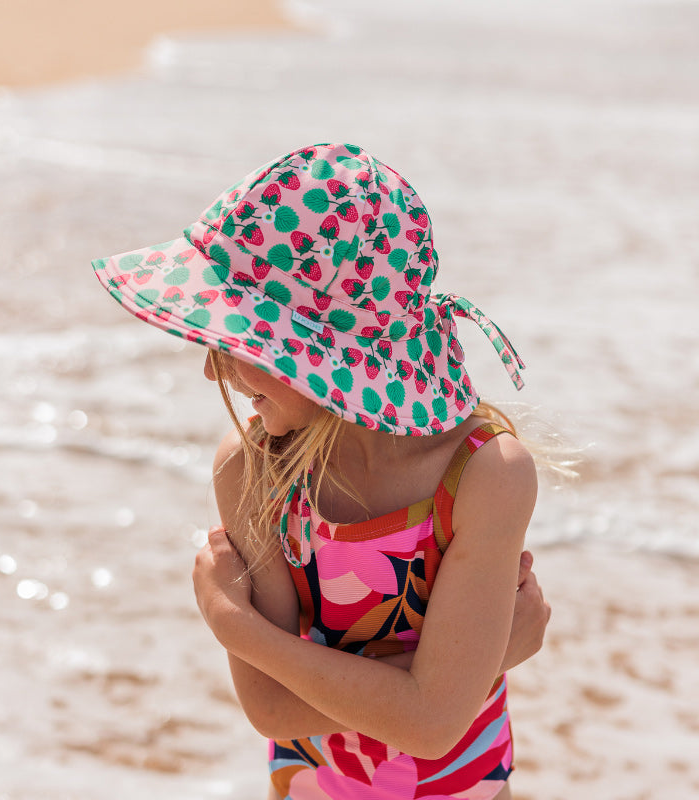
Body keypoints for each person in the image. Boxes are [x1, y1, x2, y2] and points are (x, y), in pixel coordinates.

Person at [93, 142, 551, 800]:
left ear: (321, 355)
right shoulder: (254, 471)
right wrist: (453, 673)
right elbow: (271, 710)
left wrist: (237, 628)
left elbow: (431, 728)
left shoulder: (485, 475)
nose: (211, 368)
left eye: (237, 342)